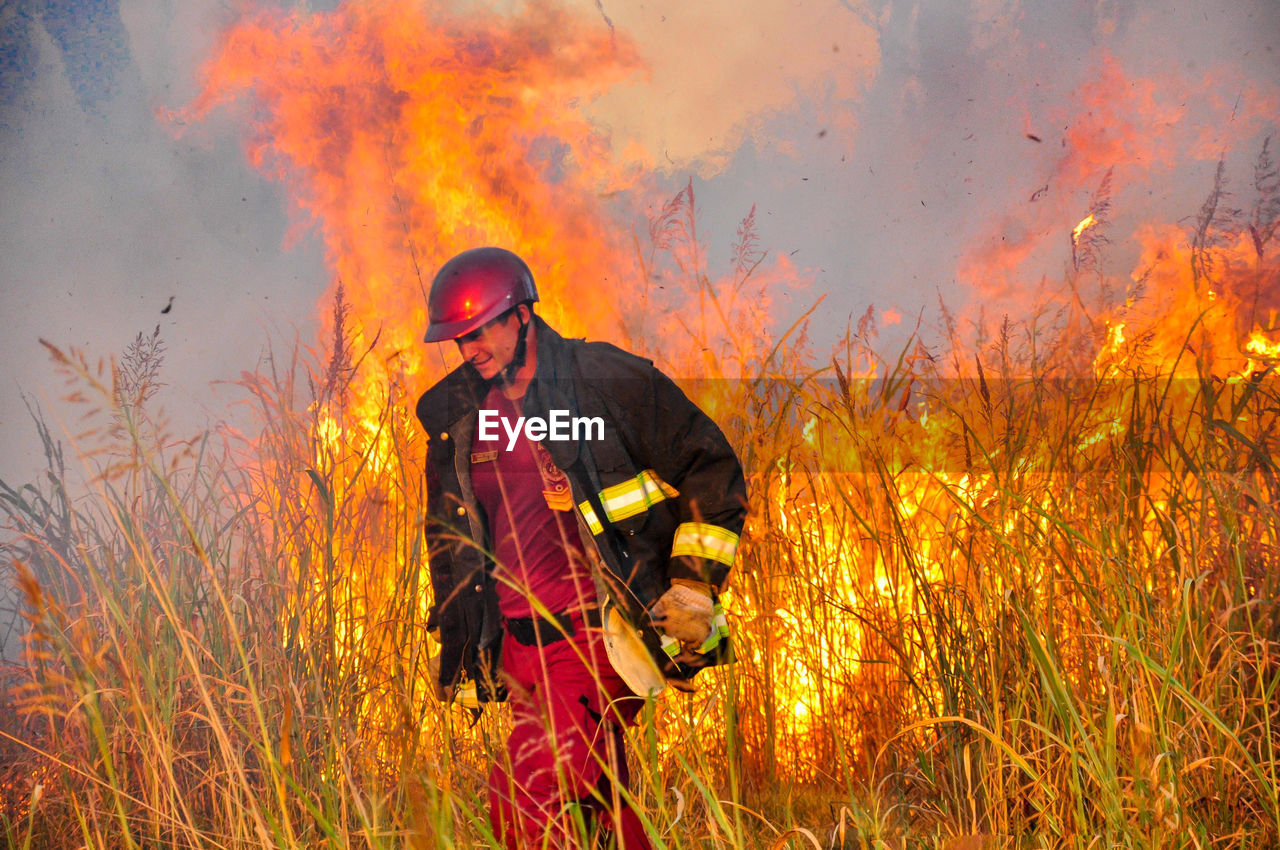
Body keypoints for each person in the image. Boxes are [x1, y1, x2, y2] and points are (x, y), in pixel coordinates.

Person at [415, 247, 747, 849]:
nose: (469, 351)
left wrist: (695, 584)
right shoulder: (457, 419)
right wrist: (463, 645)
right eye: (458, 339)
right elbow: (453, 542)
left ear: (520, 315)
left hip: (595, 638)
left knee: (524, 799)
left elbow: (710, 463)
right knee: (600, 809)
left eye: (480, 330)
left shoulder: (603, 381)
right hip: (518, 654)